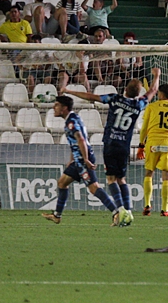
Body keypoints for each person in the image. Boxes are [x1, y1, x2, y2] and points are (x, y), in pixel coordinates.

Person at [61, 68, 162, 226]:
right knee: (122, 179)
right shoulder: (139, 104)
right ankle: (128, 211)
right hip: (124, 146)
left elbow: (91, 97)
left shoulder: (114, 99)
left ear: (125, 89)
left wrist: (70, 91)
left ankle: (121, 210)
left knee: (110, 179)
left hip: (110, 144)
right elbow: (153, 90)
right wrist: (157, 75)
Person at [42, 96, 131, 226]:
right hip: (78, 159)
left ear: (64, 108)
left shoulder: (71, 122)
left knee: (94, 188)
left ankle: (116, 212)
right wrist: (72, 160)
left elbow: (81, 140)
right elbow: (76, 141)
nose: (53, 107)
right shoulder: (73, 118)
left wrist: (86, 159)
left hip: (83, 159)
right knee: (62, 183)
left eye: (57, 105)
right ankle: (57, 216)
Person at [137, 84, 168, 217]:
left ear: (160, 94)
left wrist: (141, 145)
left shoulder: (151, 107)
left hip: (152, 142)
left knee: (149, 172)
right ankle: (164, 209)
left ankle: (147, 205)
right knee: (167, 175)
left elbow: (144, 129)